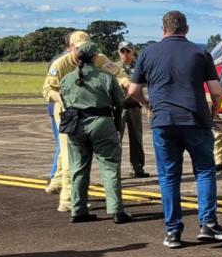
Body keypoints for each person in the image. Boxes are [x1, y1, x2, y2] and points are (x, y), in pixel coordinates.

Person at [127, 11, 222, 249]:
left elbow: (133, 90)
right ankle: (208, 223)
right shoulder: (200, 52)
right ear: (186, 29)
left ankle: (173, 230)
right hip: (195, 118)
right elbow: (216, 91)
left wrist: (148, 105)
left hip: (163, 120)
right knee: (205, 171)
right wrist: (214, 111)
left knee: (168, 176)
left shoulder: (148, 53)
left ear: (163, 30)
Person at [42, 30, 129, 212]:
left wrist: (128, 85)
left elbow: (119, 74)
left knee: (69, 153)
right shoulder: (60, 64)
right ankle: (67, 200)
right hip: (68, 112)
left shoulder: (99, 58)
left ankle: (58, 184)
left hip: (89, 113)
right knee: (69, 157)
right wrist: (59, 98)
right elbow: (47, 90)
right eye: (79, 49)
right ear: (71, 48)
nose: (85, 52)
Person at [61, 41, 131, 224]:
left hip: (75, 125)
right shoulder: (106, 77)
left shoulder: (67, 79)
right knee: (109, 167)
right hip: (102, 123)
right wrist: (117, 127)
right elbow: (119, 103)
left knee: (78, 168)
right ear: (95, 57)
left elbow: (64, 102)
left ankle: (77, 209)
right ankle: (116, 210)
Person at [115, 42, 149, 179]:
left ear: (133, 51)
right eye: (122, 51)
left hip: (134, 106)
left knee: (136, 138)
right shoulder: (114, 68)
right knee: (116, 139)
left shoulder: (139, 67)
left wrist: (146, 103)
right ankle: (114, 169)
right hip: (118, 107)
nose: (125, 54)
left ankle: (137, 167)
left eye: (127, 51)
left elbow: (145, 85)